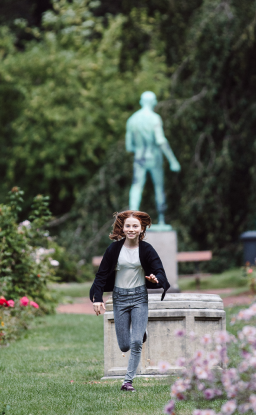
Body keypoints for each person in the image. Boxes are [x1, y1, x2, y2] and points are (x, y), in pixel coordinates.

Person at [89, 210, 171, 391]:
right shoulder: (114, 249)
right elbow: (101, 275)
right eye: (128, 226)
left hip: (139, 298)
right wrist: (97, 298)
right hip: (119, 298)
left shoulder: (147, 249)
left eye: (135, 226)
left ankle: (128, 381)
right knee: (125, 345)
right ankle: (142, 333)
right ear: (123, 228)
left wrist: (156, 279)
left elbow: (159, 271)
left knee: (135, 344)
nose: (131, 229)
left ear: (141, 229)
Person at [126, 91, 181, 227]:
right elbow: (160, 140)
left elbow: (129, 146)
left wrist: (139, 150)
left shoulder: (132, 119)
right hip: (154, 157)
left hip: (139, 157)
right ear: (153, 102)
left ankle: (132, 219)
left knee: (136, 186)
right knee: (159, 187)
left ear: (141, 101)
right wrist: (172, 160)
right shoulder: (155, 118)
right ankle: (161, 220)